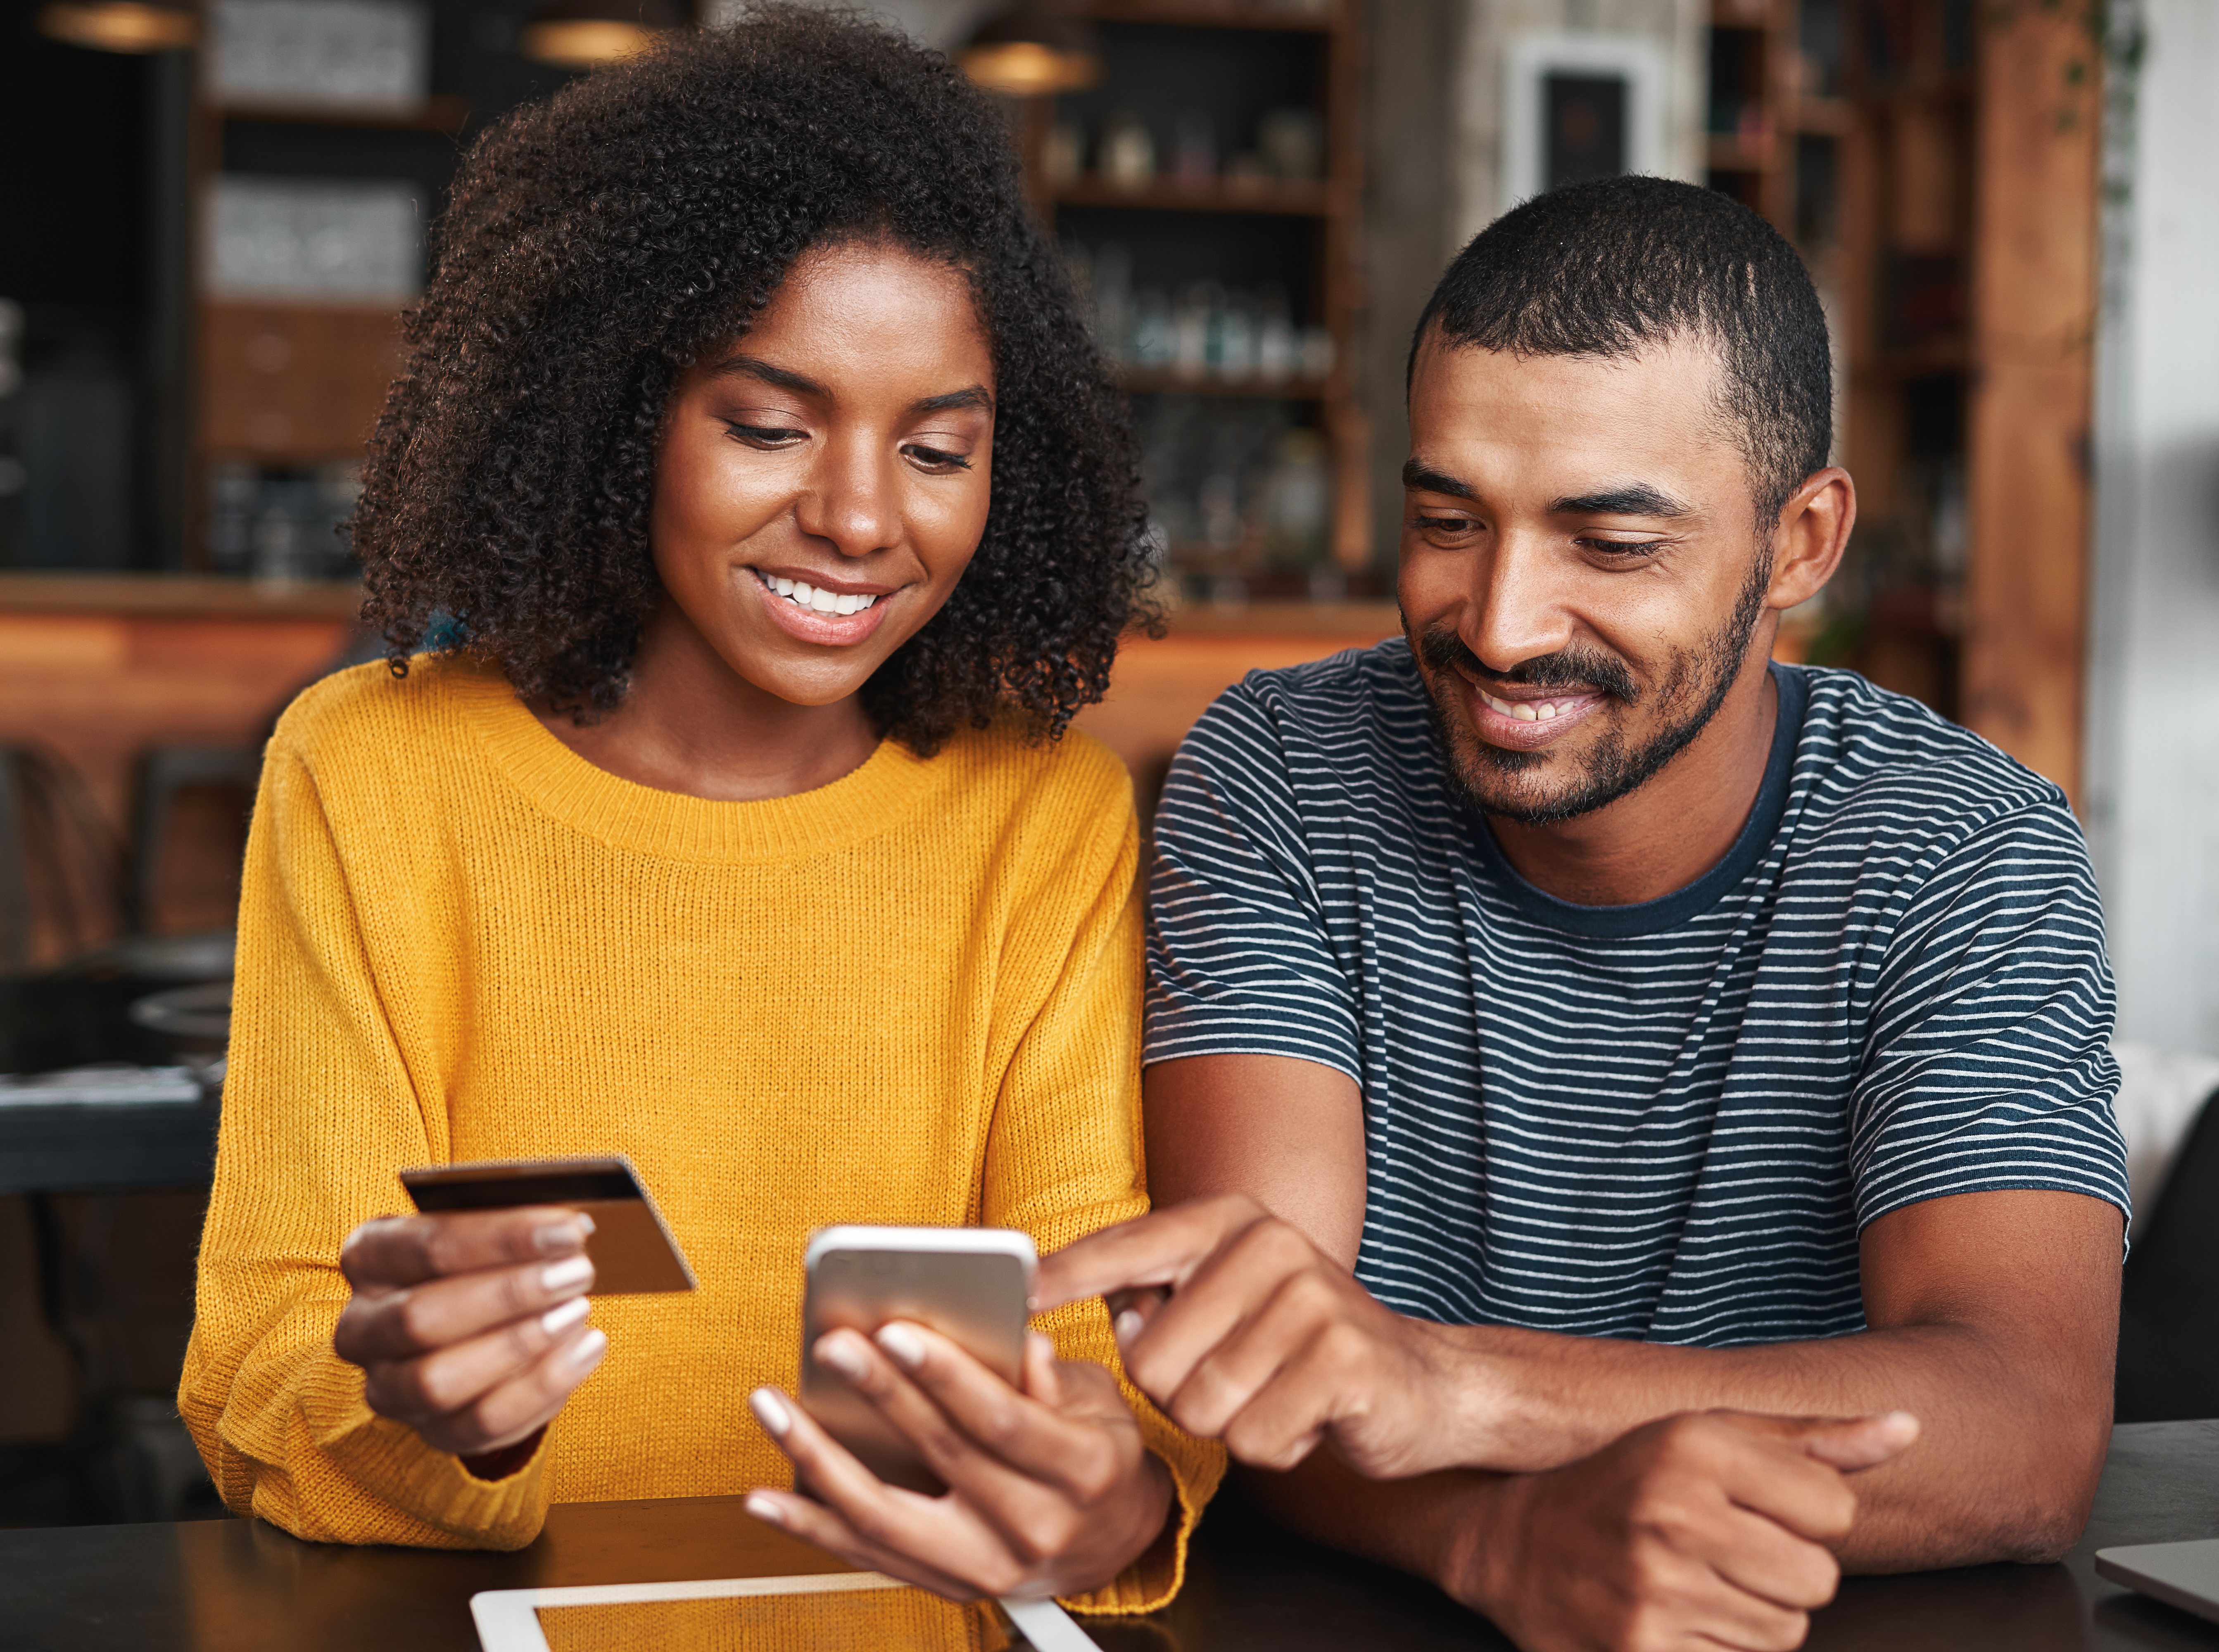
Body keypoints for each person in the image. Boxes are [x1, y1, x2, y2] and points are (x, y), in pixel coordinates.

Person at [178, 8, 1221, 1614]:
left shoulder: (1044, 816)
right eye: (768, 426)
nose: (861, 516)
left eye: (937, 447)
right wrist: (422, 1409)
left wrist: (1116, 1476)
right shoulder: (371, 771)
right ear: (619, 411)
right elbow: (261, 1359)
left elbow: (1085, 1331)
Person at [1036, 175, 2128, 1651]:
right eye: (1446, 520)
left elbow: (2021, 1429)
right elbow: (1248, 1373)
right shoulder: (1279, 770)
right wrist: (1498, 1534)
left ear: (1798, 544)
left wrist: (1453, 1391)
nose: (1499, 623)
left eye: (1610, 546)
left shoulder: (1955, 843)